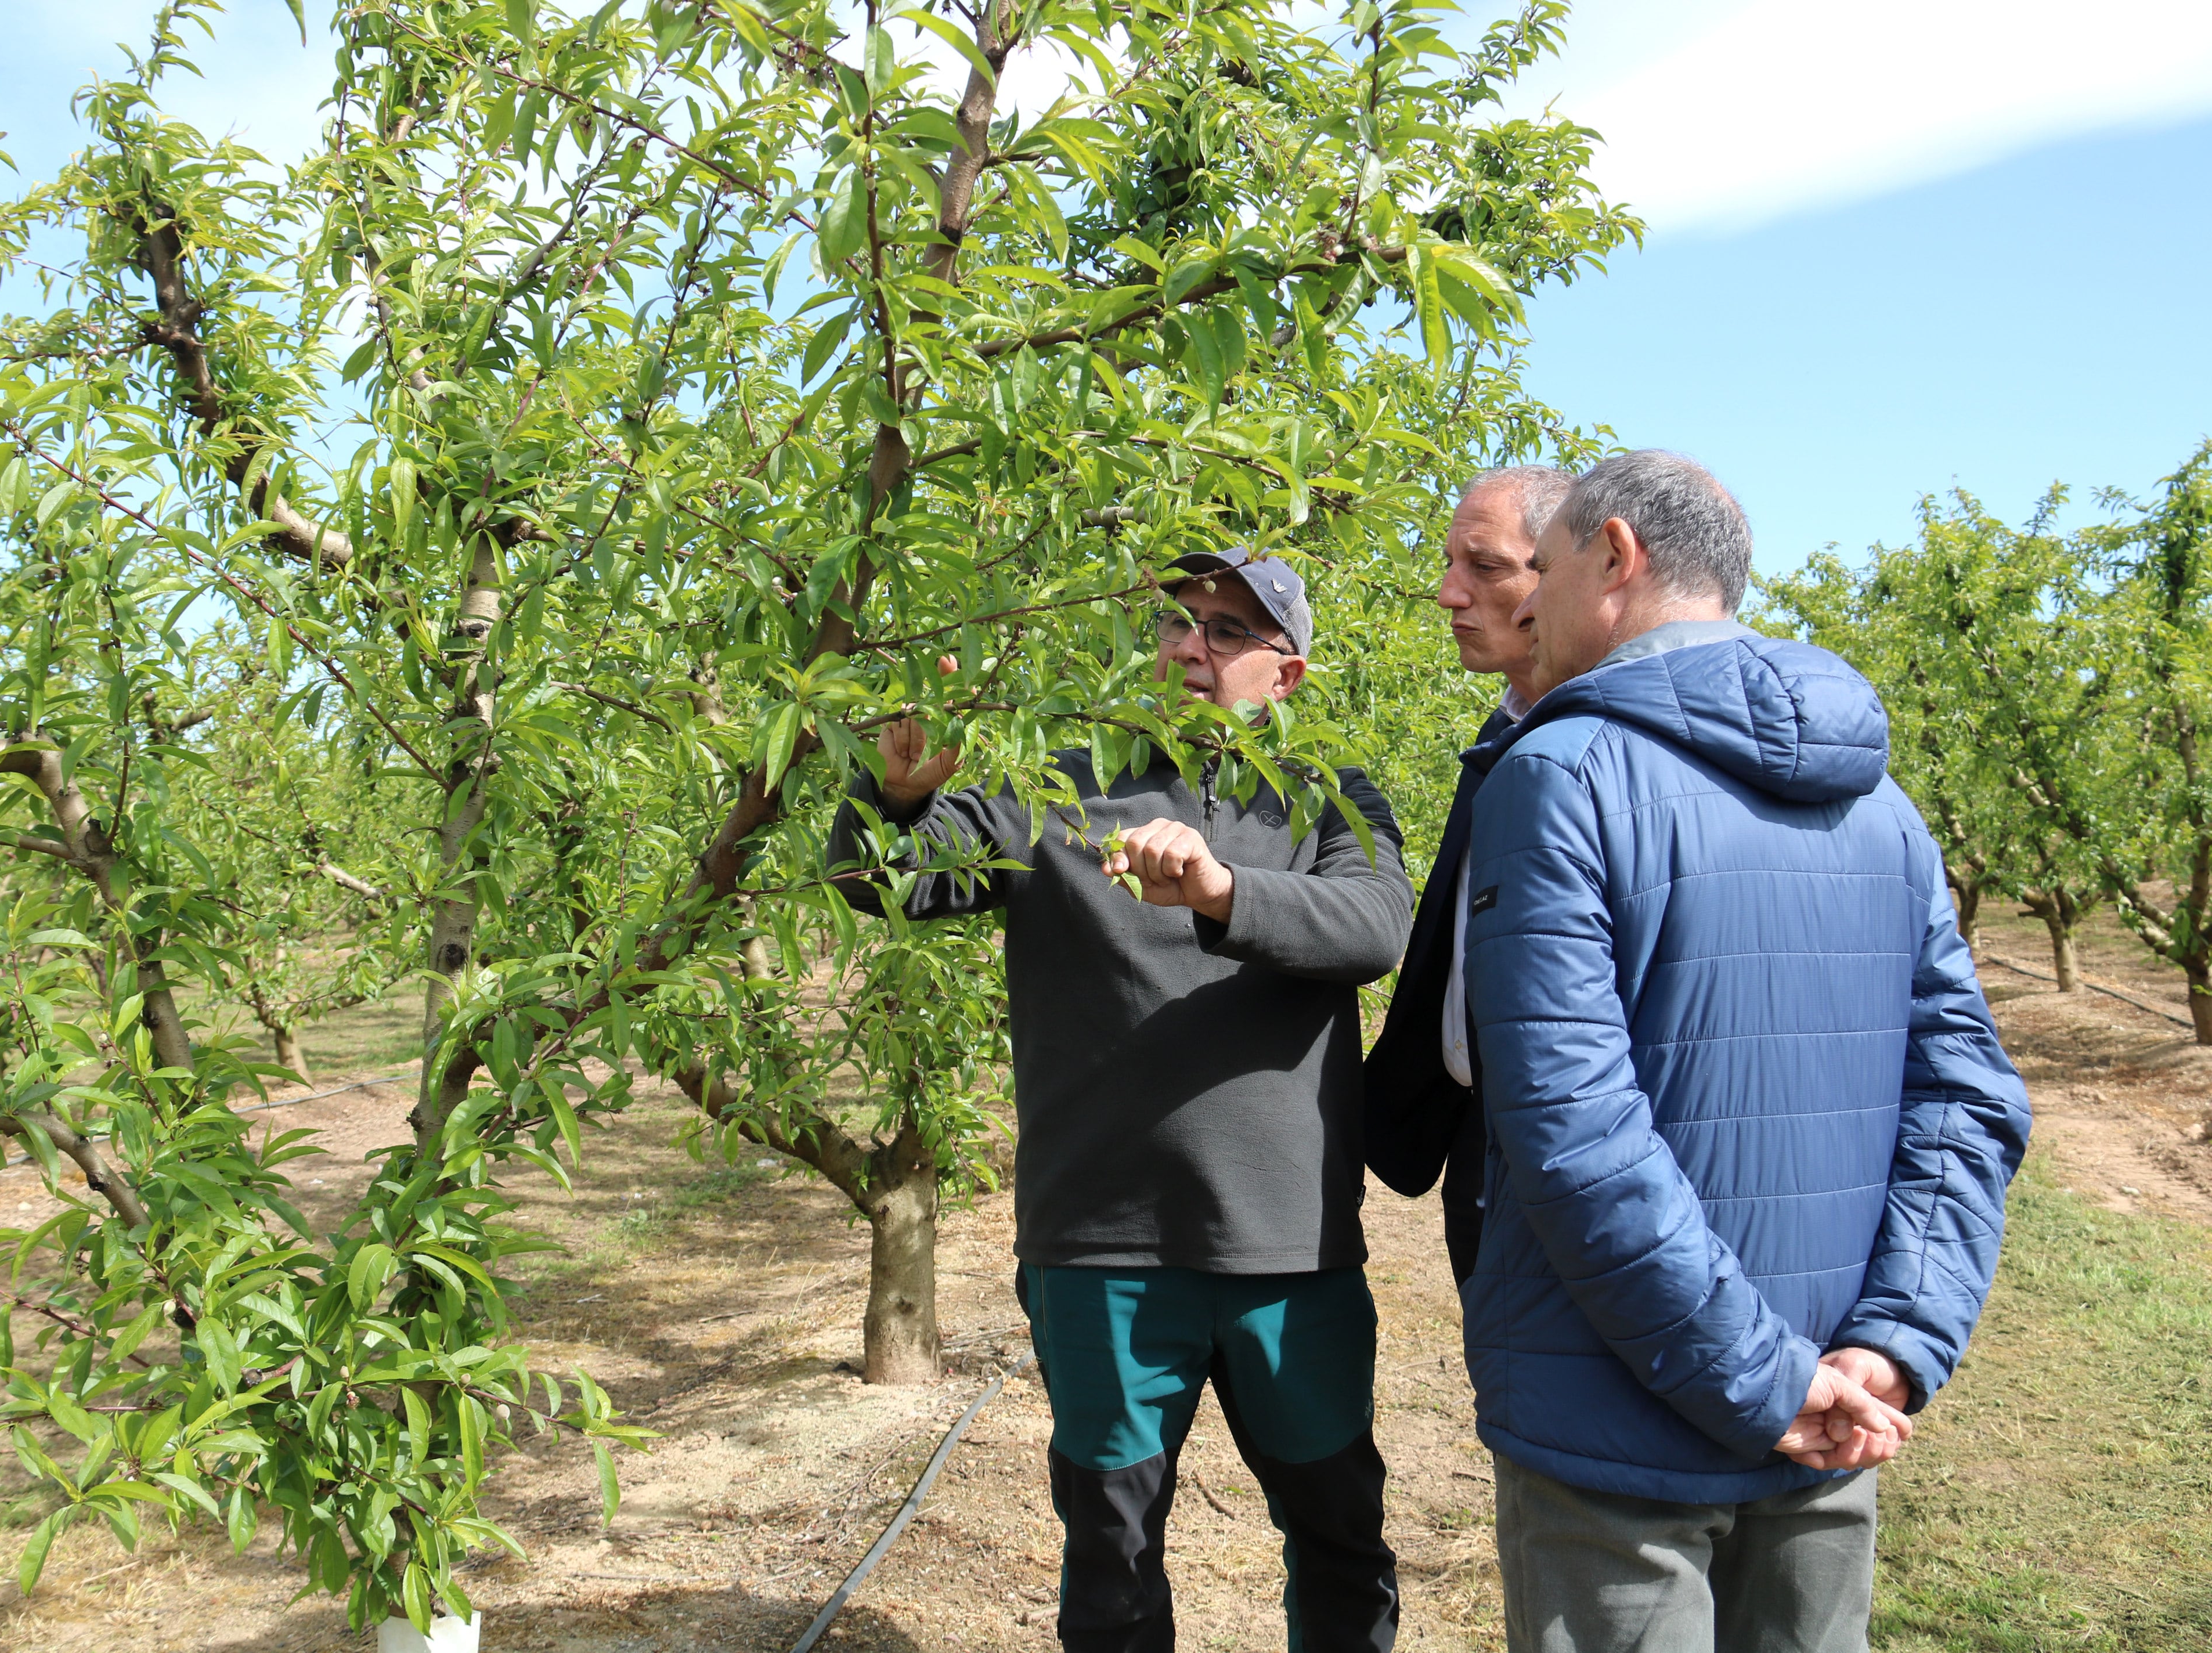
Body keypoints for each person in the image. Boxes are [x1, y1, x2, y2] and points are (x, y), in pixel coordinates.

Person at [1460, 451, 2030, 1652]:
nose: (1529, 606)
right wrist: (1889, 1341)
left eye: (1545, 571)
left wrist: (1762, 1377)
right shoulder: (1880, 801)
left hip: (1623, 1419)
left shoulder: (1560, 771)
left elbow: (1572, 1129)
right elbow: (1967, 1093)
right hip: (1838, 1405)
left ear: (1616, 556)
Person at [827, 546, 1414, 1653]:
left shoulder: (1329, 796)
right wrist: (894, 796)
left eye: (1230, 629)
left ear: (1286, 675)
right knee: (1113, 1552)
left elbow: (1376, 926)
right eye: (1178, 621)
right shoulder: (1054, 783)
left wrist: (1219, 889)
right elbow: (880, 886)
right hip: (1101, 1245)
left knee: (1338, 1532)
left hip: (1287, 1249)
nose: (1192, 643)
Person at [1365, 465, 1572, 1283]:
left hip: (1567, 1156)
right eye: (1450, 566)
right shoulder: (1504, 732)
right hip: (1479, 1150)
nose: (1451, 595)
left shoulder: (1610, 759)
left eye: (1485, 568)